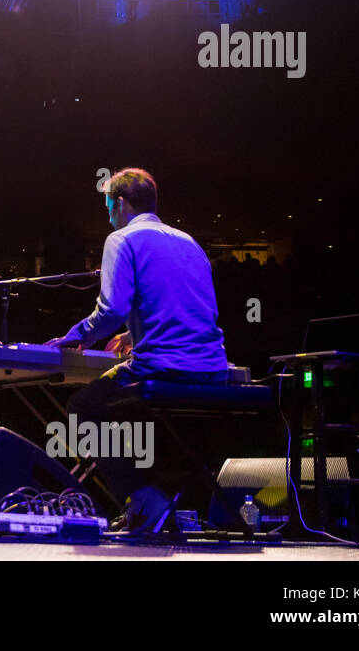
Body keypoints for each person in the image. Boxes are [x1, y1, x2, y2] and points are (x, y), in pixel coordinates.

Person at [46, 168, 228, 530]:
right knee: (131, 415)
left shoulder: (122, 239)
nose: (108, 214)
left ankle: (144, 498)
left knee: (82, 409)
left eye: (108, 205)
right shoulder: (190, 242)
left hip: (162, 368)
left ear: (120, 202)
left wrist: (76, 336)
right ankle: (156, 502)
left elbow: (112, 309)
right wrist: (135, 335)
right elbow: (197, 308)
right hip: (212, 369)